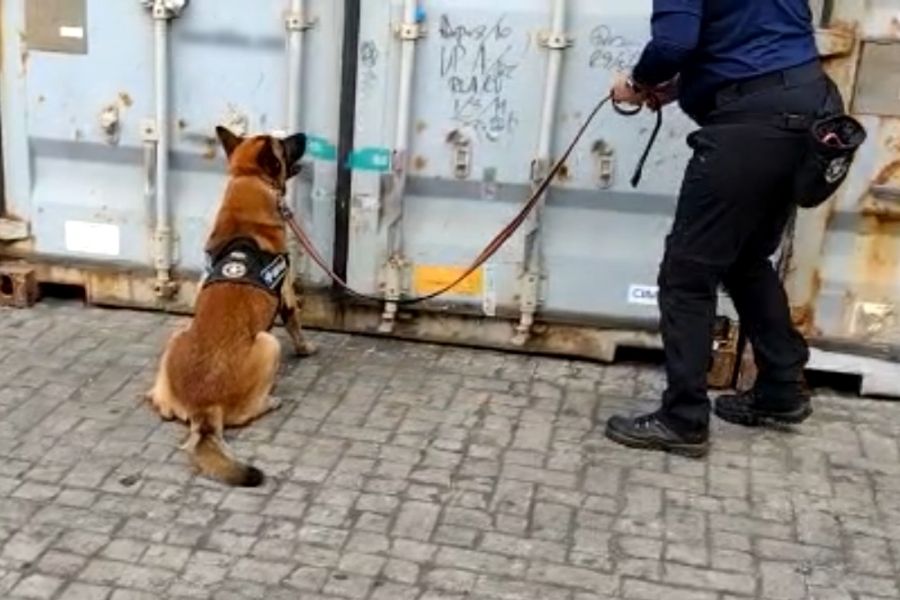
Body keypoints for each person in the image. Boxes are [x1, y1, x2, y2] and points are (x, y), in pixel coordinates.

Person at [604, 0, 844, 457]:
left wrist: (638, 83)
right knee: (745, 259)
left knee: (686, 274)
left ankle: (682, 418)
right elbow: (754, 36)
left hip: (752, 127)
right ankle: (780, 389)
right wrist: (681, 87)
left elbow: (673, 43)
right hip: (809, 108)